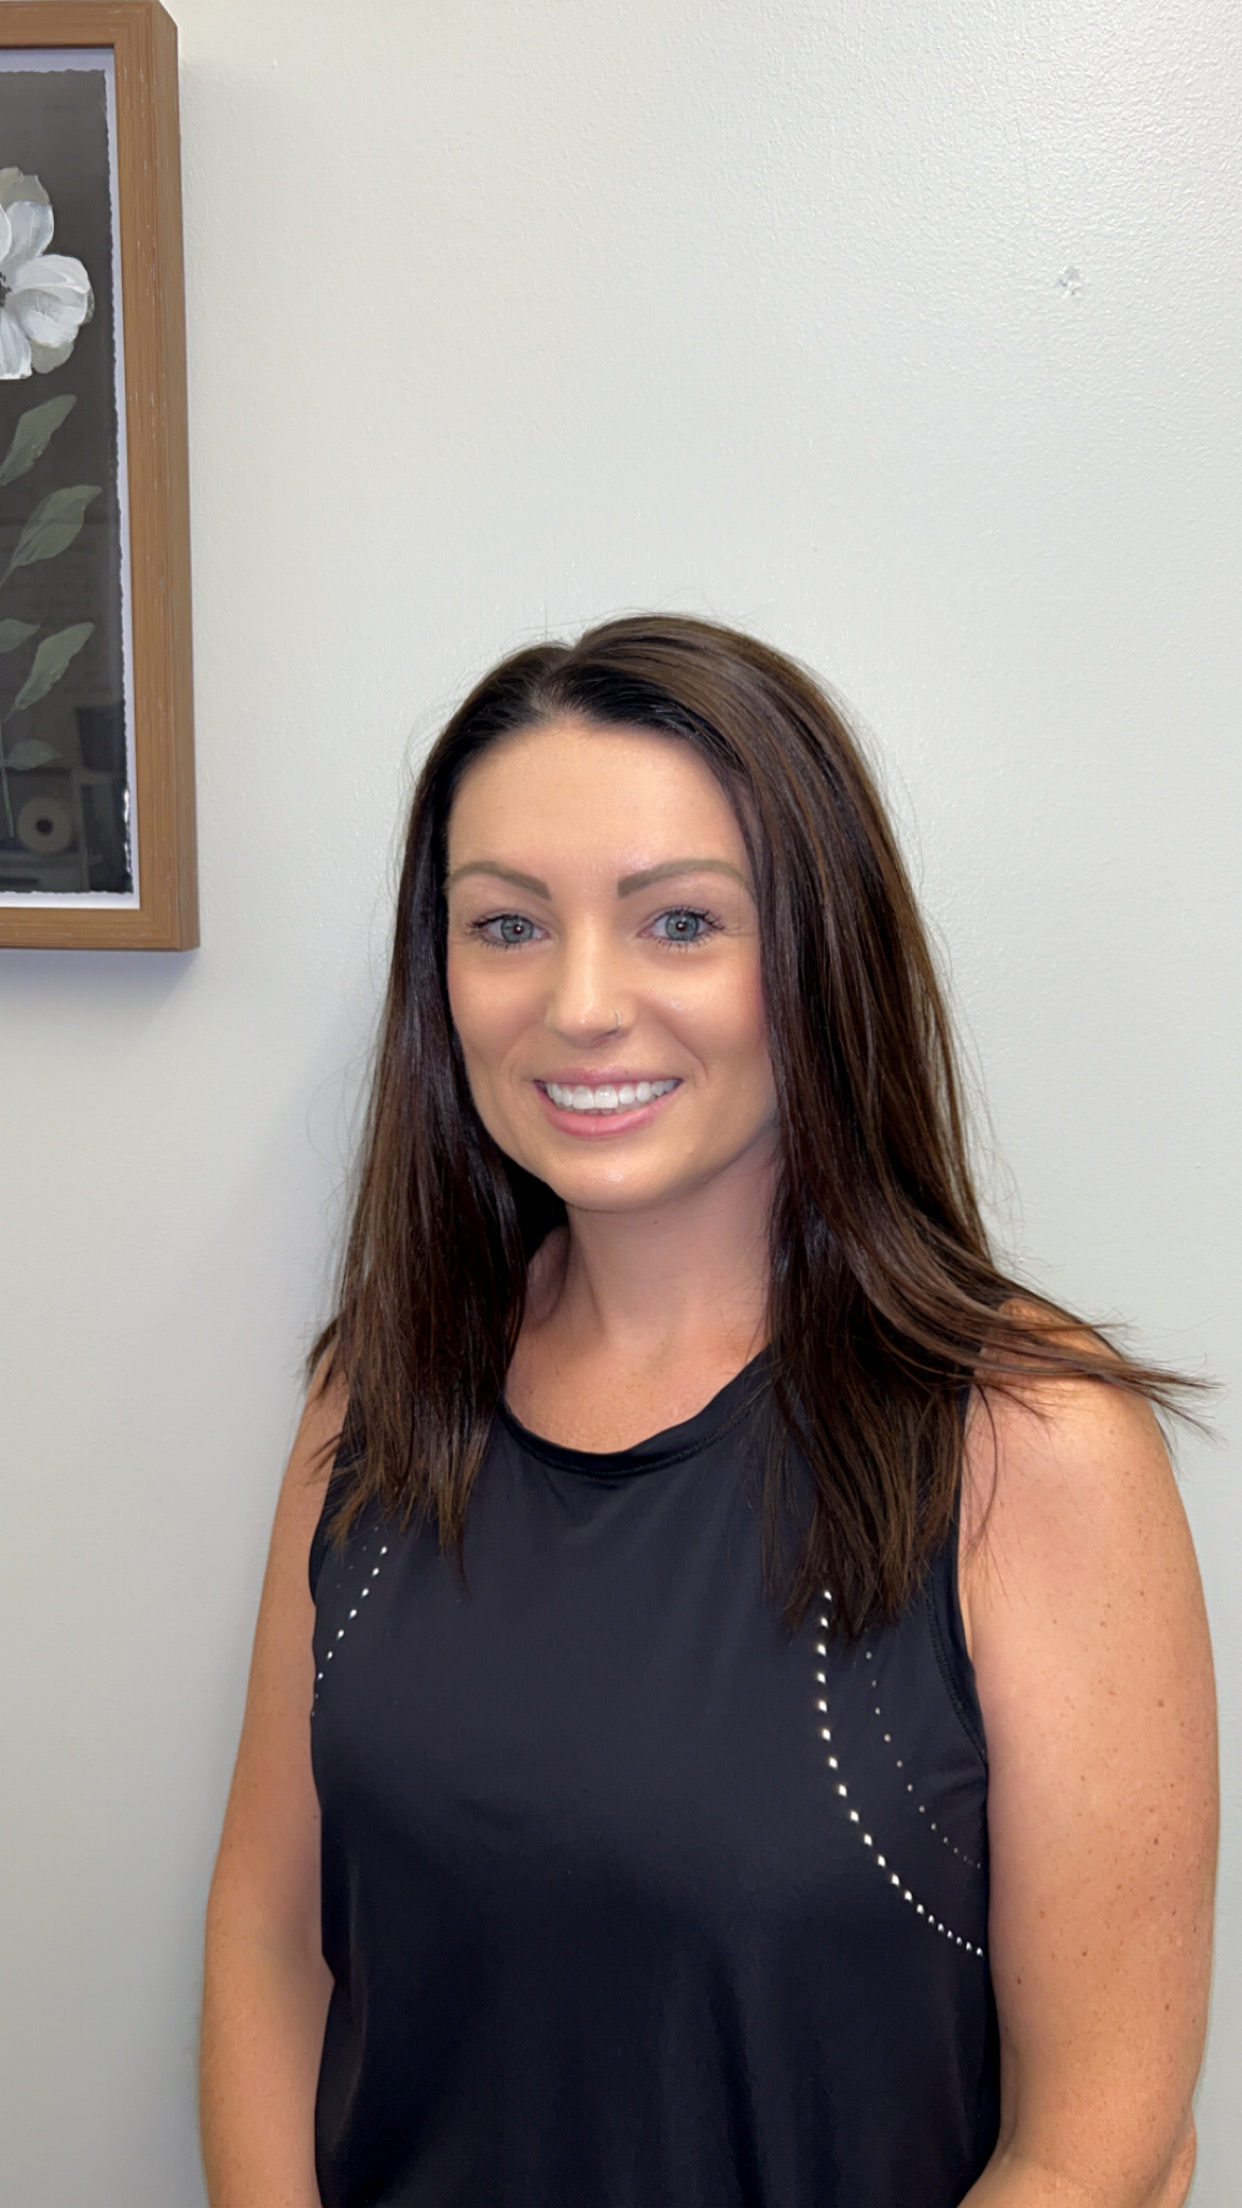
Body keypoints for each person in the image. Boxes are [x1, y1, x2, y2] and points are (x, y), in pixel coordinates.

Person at [200, 616, 1217, 2208]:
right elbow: (273, 1944)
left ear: (819, 955)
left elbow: (1103, 2147)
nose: (582, 1005)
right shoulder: (373, 1400)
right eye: (505, 926)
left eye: (678, 922)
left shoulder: (1027, 1446)